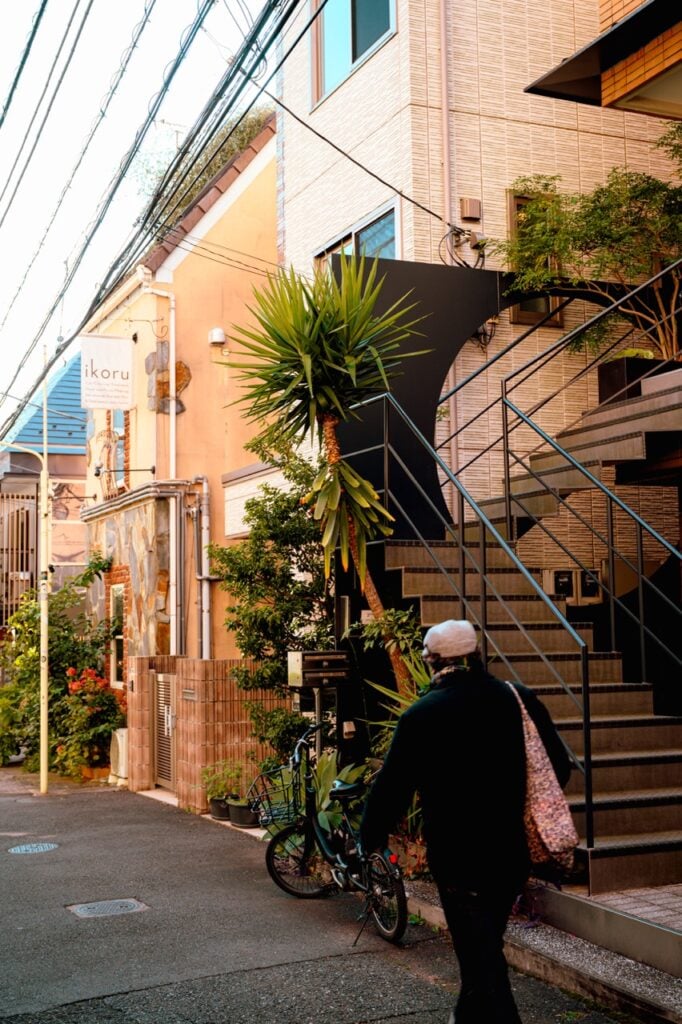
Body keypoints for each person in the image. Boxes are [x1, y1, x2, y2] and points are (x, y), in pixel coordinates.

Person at [360, 619, 572, 1024]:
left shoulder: (423, 715)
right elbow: (556, 768)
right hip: (511, 851)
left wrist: (369, 837)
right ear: (476, 655)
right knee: (483, 947)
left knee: (479, 955)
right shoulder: (519, 699)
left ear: (433, 660)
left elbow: (393, 788)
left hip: (457, 855)